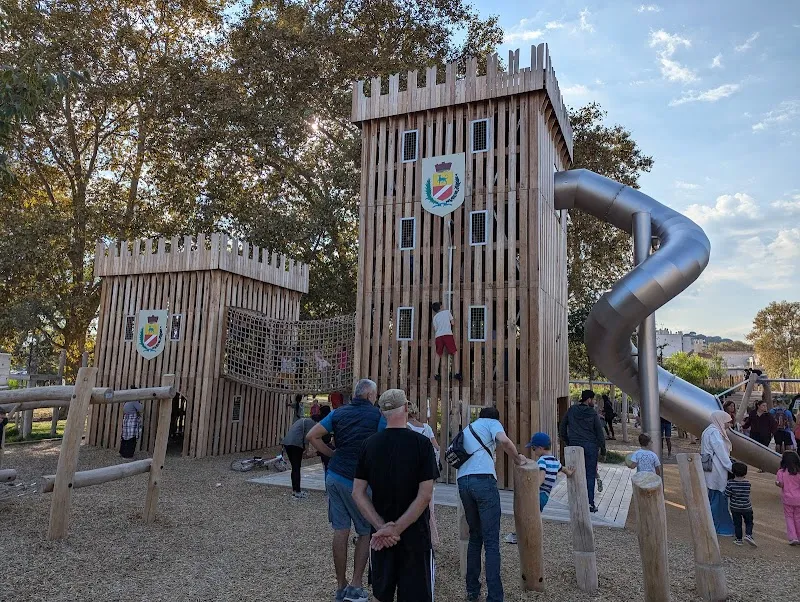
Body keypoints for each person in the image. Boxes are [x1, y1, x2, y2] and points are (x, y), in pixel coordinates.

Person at [352, 389, 439, 602]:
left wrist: (382, 527)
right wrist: (396, 529)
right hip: (415, 534)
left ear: (382, 412)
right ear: (407, 408)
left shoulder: (369, 444)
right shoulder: (422, 444)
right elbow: (425, 495)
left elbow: (357, 492)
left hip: (380, 537)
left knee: (382, 594)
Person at [306, 379, 383, 602]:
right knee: (365, 530)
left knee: (340, 530)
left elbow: (312, 435)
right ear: (369, 395)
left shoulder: (338, 413)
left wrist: (332, 454)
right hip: (358, 481)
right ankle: (356, 586)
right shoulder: (377, 416)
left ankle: (340, 586)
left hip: (334, 476)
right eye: (375, 395)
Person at [457, 406, 528, 602]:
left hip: (463, 482)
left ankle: (472, 591)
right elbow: (504, 441)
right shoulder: (492, 423)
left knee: (475, 537)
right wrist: (517, 459)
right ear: (496, 418)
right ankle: (495, 596)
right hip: (484, 481)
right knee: (491, 541)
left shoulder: (469, 427)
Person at [505, 432, 575, 544]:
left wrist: (532, 489)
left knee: (526, 515)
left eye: (533, 448)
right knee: (534, 516)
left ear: (540, 448)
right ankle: (528, 536)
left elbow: (542, 476)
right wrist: (570, 472)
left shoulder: (542, 461)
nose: (533, 451)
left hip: (539, 493)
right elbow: (565, 470)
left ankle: (520, 536)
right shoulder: (555, 461)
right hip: (545, 496)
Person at [559, 390, 606, 513]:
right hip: (590, 446)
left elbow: (562, 427)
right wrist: (603, 450)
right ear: (589, 399)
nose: (594, 402)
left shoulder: (571, 410)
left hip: (574, 446)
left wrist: (568, 441)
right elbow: (599, 432)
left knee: (573, 473)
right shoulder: (592, 413)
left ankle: (575, 501)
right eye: (593, 399)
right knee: (590, 475)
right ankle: (590, 503)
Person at [407, 402, 440, 546]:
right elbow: (436, 447)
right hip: (427, 471)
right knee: (428, 505)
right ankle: (431, 537)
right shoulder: (426, 427)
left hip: (411, 470)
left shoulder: (405, 427)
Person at [701, 411, 735, 536]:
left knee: (713, 496)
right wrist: (731, 467)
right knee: (718, 497)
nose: (728, 424)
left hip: (711, 468)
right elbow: (721, 452)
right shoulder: (714, 432)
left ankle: (713, 525)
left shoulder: (708, 431)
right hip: (717, 468)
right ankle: (719, 527)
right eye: (727, 421)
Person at [282, 415, 316, 499]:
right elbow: (307, 438)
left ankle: (295, 490)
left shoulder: (302, 420)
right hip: (295, 444)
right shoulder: (311, 422)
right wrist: (307, 451)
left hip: (287, 443)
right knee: (297, 468)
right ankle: (297, 492)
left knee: (294, 467)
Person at [725, 462, 756, 546]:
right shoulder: (747, 484)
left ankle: (739, 539)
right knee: (749, 522)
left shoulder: (730, 483)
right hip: (747, 507)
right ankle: (748, 535)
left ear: (733, 472)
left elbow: (727, 494)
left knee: (737, 524)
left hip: (735, 507)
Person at [431, 302, 461, 381]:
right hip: (447, 335)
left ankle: (436, 374)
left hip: (438, 336)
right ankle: (457, 373)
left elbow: (436, 329)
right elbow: (453, 323)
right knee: (455, 352)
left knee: (438, 354)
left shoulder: (434, 318)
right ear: (441, 307)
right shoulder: (447, 312)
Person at [776, 450, 800, 545]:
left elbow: (781, 484)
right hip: (798, 499)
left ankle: (793, 537)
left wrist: (777, 483)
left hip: (787, 498)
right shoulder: (798, 472)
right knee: (798, 517)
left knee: (789, 517)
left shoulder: (781, 472)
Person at [120, 395, 143, 459]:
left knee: (125, 437)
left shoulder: (127, 401)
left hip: (127, 419)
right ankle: (128, 454)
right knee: (131, 438)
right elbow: (141, 409)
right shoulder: (134, 401)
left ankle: (122, 452)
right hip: (132, 420)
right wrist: (141, 404)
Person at [316, 405, 334, 478]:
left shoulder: (321, 421)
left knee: (325, 463)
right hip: (328, 443)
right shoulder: (330, 420)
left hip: (321, 444)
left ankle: (327, 477)